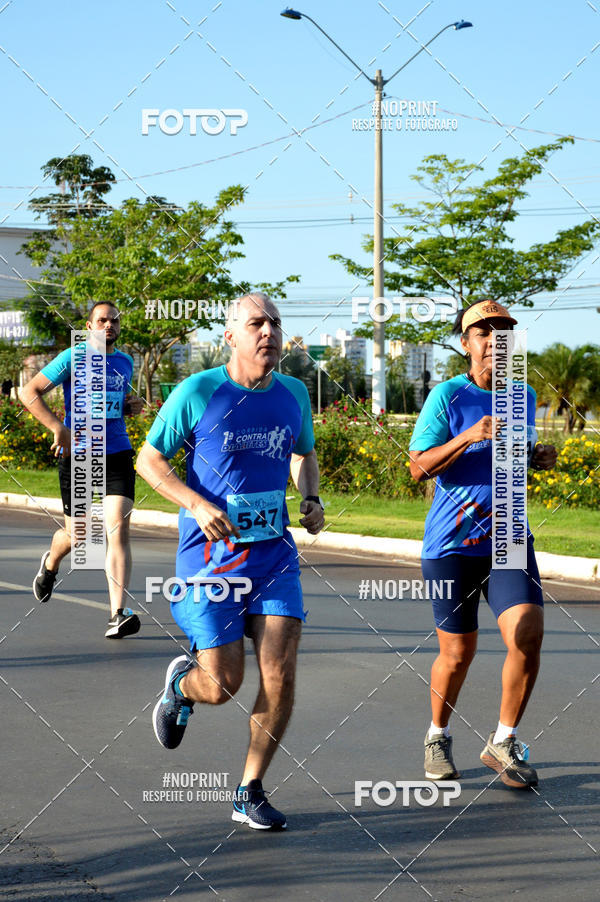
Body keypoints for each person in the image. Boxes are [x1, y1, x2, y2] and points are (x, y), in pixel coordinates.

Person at [136, 292, 324, 829]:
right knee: (221, 685)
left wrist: (310, 499)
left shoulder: (292, 392)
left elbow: (303, 452)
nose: (268, 332)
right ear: (232, 336)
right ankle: (180, 686)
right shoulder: (198, 392)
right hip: (211, 562)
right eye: (256, 323)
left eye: (276, 323)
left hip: (274, 557)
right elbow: (151, 459)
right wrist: (196, 503)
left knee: (281, 673)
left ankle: (250, 789)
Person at [408, 300, 557, 789]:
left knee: (527, 633)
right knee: (457, 654)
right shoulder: (447, 397)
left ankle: (504, 739)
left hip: (510, 533)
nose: (496, 338)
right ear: (467, 343)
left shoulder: (524, 395)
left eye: (505, 331)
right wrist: (468, 436)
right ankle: (437, 734)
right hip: (452, 542)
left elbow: (513, 458)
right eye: (484, 330)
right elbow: (417, 468)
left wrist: (536, 457)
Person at [19, 301, 144, 638]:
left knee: (116, 527)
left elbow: (115, 404)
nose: (109, 326)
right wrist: (57, 428)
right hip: (79, 454)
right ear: (89, 326)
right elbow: (28, 392)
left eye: (114, 321)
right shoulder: (72, 358)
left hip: (117, 451)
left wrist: (130, 407)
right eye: (102, 320)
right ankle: (51, 564)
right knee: (81, 535)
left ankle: (117, 613)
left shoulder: (126, 362)